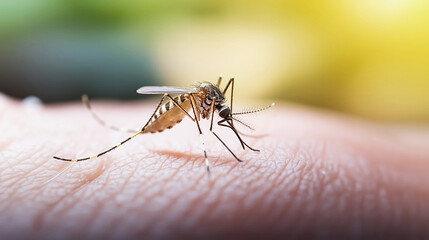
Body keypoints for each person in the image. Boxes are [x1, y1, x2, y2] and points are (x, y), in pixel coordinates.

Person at [0, 94, 428, 239]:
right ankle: (106, 143)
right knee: (183, 128)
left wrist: (241, 135)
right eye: (221, 111)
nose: (221, 115)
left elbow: (219, 111)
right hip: (169, 112)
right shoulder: (197, 104)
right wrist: (205, 148)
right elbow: (202, 117)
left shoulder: (218, 102)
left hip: (195, 102)